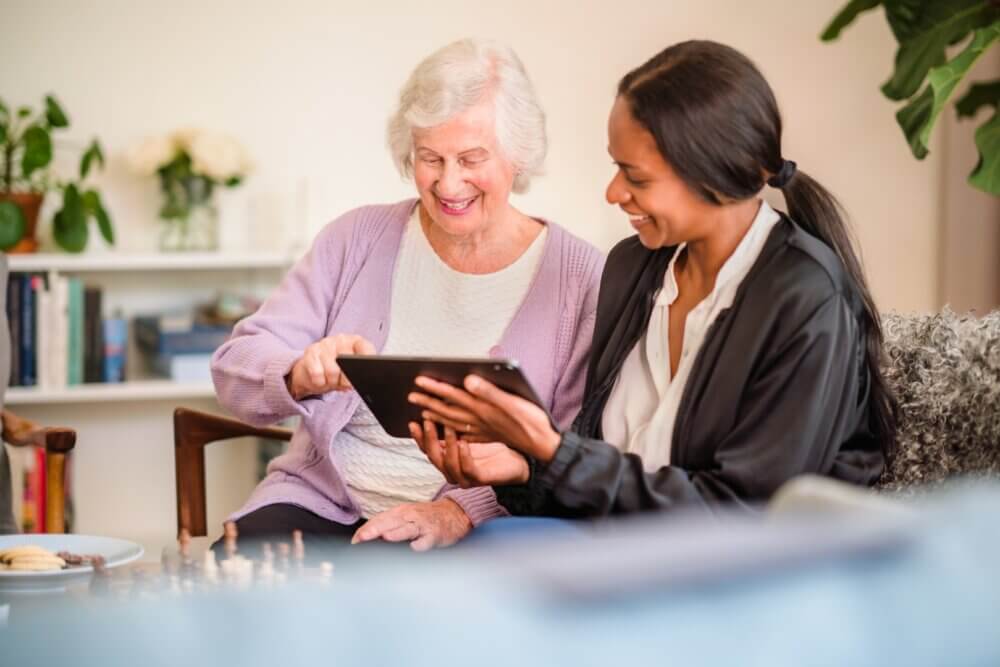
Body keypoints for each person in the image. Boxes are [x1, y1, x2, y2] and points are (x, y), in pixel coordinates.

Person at [408, 40, 898, 518]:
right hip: (616, 551)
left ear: (718, 177)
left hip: (732, 578)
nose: (613, 192)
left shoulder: (806, 301)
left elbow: (744, 516)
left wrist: (558, 456)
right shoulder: (632, 268)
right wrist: (523, 470)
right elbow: (604, 480)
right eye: (615, 167)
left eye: (636, 177)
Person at [211, 39, 603, 550]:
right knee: (233, 578)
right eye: (429, 158)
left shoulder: (580, 277)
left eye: (471, 158)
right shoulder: (356, 238)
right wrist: (299, 372)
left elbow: (570, 448)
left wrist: (456, 510)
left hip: (471, 528)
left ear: (518, 155)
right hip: (321, 502)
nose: (449, 182)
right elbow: (233, 367)